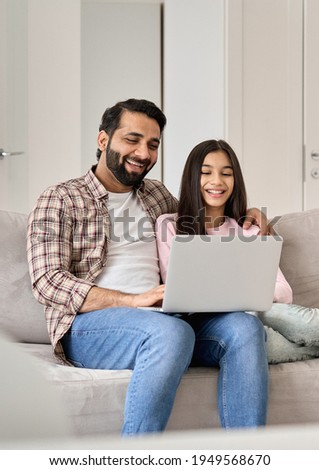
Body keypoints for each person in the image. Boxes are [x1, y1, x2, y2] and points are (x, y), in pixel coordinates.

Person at [27, 98, 270, 436]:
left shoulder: (157, 196)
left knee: (245, 329)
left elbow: (202, 222)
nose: (143, 152)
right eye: (132, 139)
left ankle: (249, 455)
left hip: (169, 319)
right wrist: (132, 300)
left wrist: (247, 213)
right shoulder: (61, 197)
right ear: (103, 141)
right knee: (170, 333)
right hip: (90, 329)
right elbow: (47, 282)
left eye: (152, 144)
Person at [155, 139, 293, 428]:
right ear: (193, 177)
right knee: (246, 325)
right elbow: (176, 286)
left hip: (234, 330)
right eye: (206, 172)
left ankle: (246, 453)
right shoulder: (170, 225)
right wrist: (241, 290)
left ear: (235, 180)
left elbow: (284, 291)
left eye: (226, 173)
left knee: (246, 326)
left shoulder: (250, 231)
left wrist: (237, 293)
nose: (217, 181)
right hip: (186, 329)